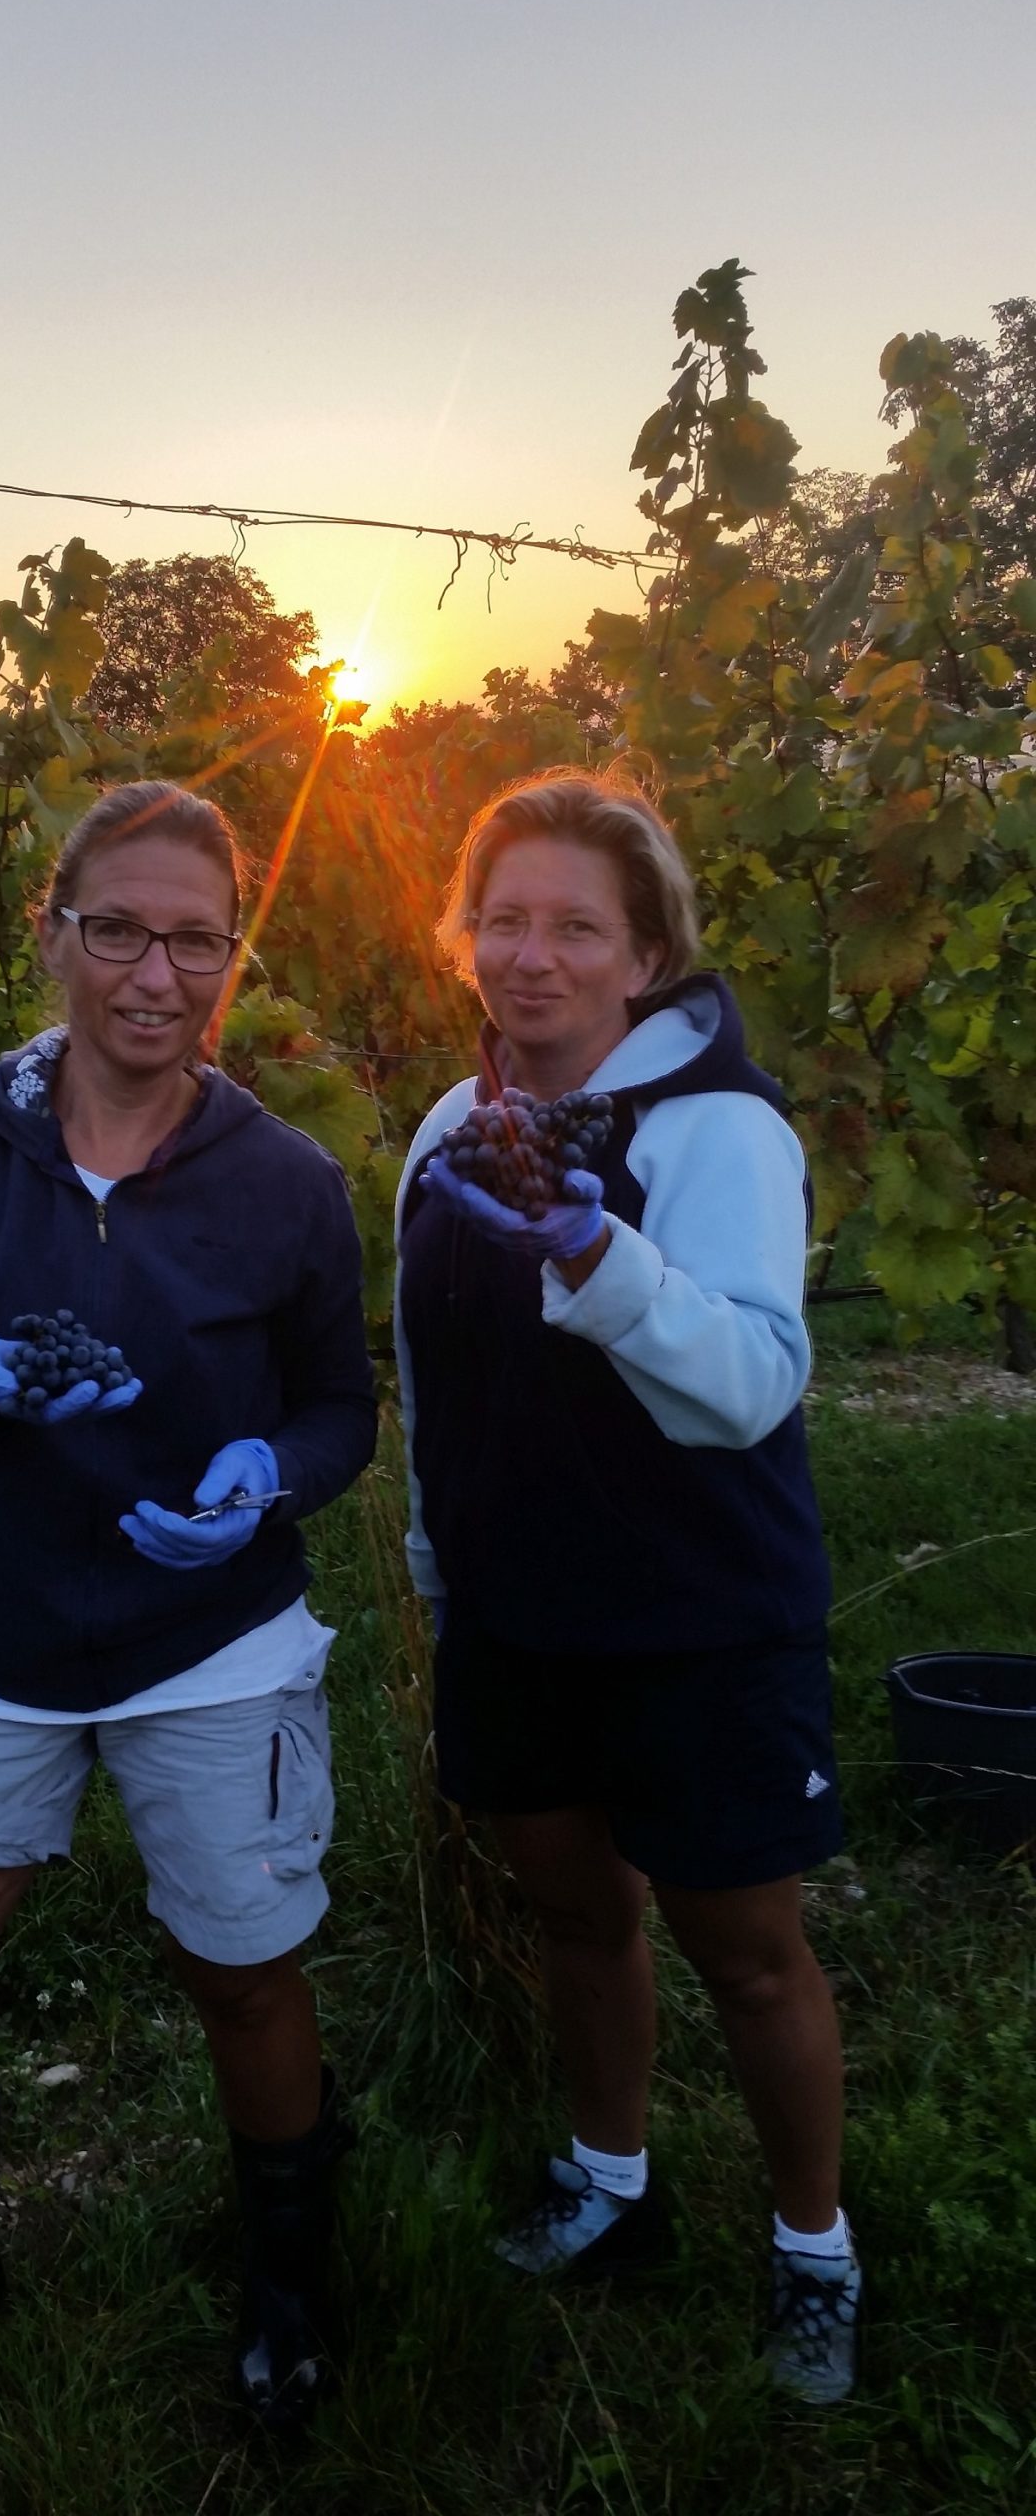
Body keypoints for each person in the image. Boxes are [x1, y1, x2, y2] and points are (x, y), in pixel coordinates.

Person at [0, 780, 376, 2431]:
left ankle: (285, 2284)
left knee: (245, 1984)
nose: (156, 974)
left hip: (213, 1644)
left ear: (233, 957)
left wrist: (271, 1467)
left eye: (197, 939)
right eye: (118, 929)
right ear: (53, 938)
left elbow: (342, 1412)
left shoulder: (285, 1182)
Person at [394, 769, 860, 2406]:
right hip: (521, 1619)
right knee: (578, 1917)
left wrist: (603, 1265)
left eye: (575, 927)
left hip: (699, 1625)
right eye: (502, 919)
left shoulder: (719, 1131)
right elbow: (433, 1378)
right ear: (464, 941)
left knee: (749, 1951)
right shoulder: (454, 1130)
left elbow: (748, 1387)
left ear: (644, 957)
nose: (532, 956)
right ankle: (613, 2183)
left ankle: (816, 2247)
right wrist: (441, 1572)